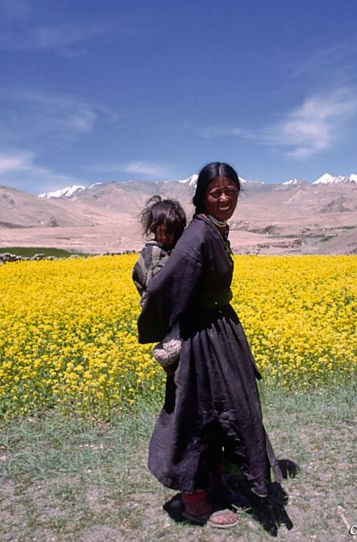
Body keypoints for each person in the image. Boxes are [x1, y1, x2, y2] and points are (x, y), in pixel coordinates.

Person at [137, 162, 284, 530]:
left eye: (230, 192)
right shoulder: (197, 236)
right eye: (215, 192)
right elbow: (164, 288)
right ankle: (195, 499)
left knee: (229, 409)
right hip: (200, 338)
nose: (224, 198)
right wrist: (166, 329)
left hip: (219, 331)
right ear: (202, 196)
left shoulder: (214, 231)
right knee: (196, 414)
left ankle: (218, 482)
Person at [132, 196, 187, 370]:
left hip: (165, 313)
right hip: (161, 313)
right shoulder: (154, 254)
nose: (172, 237)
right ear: (154, 228)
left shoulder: (165, 250)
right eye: (167, 231)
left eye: (176, 232)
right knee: (176, 352)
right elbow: (160, 290)